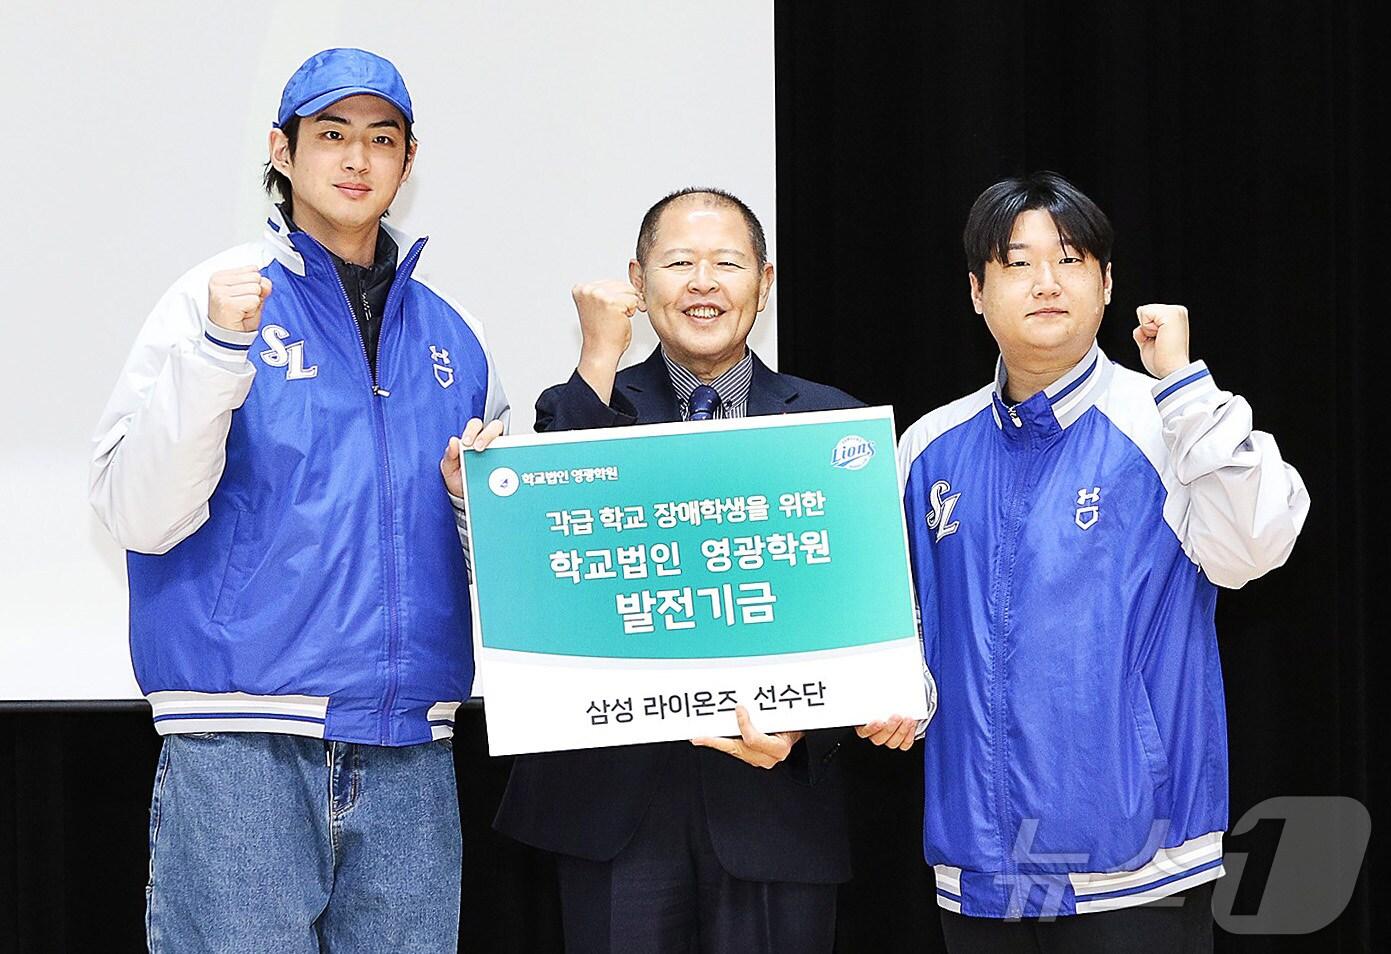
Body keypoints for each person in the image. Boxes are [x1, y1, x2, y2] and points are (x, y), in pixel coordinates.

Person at [89, 48, 508, 953]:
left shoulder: (456, 334)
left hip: (410, 745)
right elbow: (137, 514)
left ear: (408, 159)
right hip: (242, 738)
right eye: (330, 136)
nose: (355, 160)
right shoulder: (212, 302)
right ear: (282, 151)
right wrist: (212, 354)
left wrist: (475, 505)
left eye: (379, 139)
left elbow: (501, 575)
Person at [492, 187, 919, 954]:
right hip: (612, 815)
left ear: (765, 281)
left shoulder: (829, 428)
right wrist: (597, 353)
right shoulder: (584, 405)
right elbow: (547, 554)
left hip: (773, 809)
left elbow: (862, 611)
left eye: (726, 262)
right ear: (637, 279)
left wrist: (814, 718)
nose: (702, 282)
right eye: (678, 262)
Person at [890, 171, 1308, 951]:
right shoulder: (926, 448)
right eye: (1017, 263)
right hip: (979, 867)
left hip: (1135, 861)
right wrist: (894, 694)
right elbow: (903, 624)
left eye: (1072, 259)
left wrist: (1184, 387)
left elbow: (1255, 547)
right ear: (977, 291)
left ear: (1107, 284)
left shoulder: (1169, 420)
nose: (1046, 282)